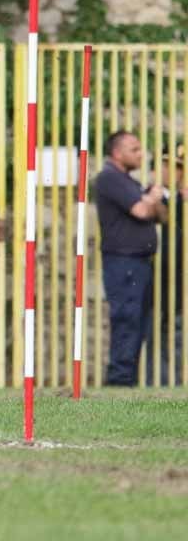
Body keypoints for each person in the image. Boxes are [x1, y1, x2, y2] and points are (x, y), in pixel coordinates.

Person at [94, 130, 166, 386]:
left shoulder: (130, 182)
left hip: (139, 264)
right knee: (126, 319)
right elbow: (141, 210)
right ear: (117, 152)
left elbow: (161, 216)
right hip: (123, 264)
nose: (140, 154)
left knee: (138, 323)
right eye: (134, 149)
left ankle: (128, 380)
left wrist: (152, 199)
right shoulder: (109, 178)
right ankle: (119, 380)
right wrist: (153, 198)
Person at [157, 145, 187, 386]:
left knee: (177, 335)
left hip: (180, 279)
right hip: (155, 278)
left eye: (177, 167)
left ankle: (175, 385)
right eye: (166, 165)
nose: (170, 171)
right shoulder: (146, 195)